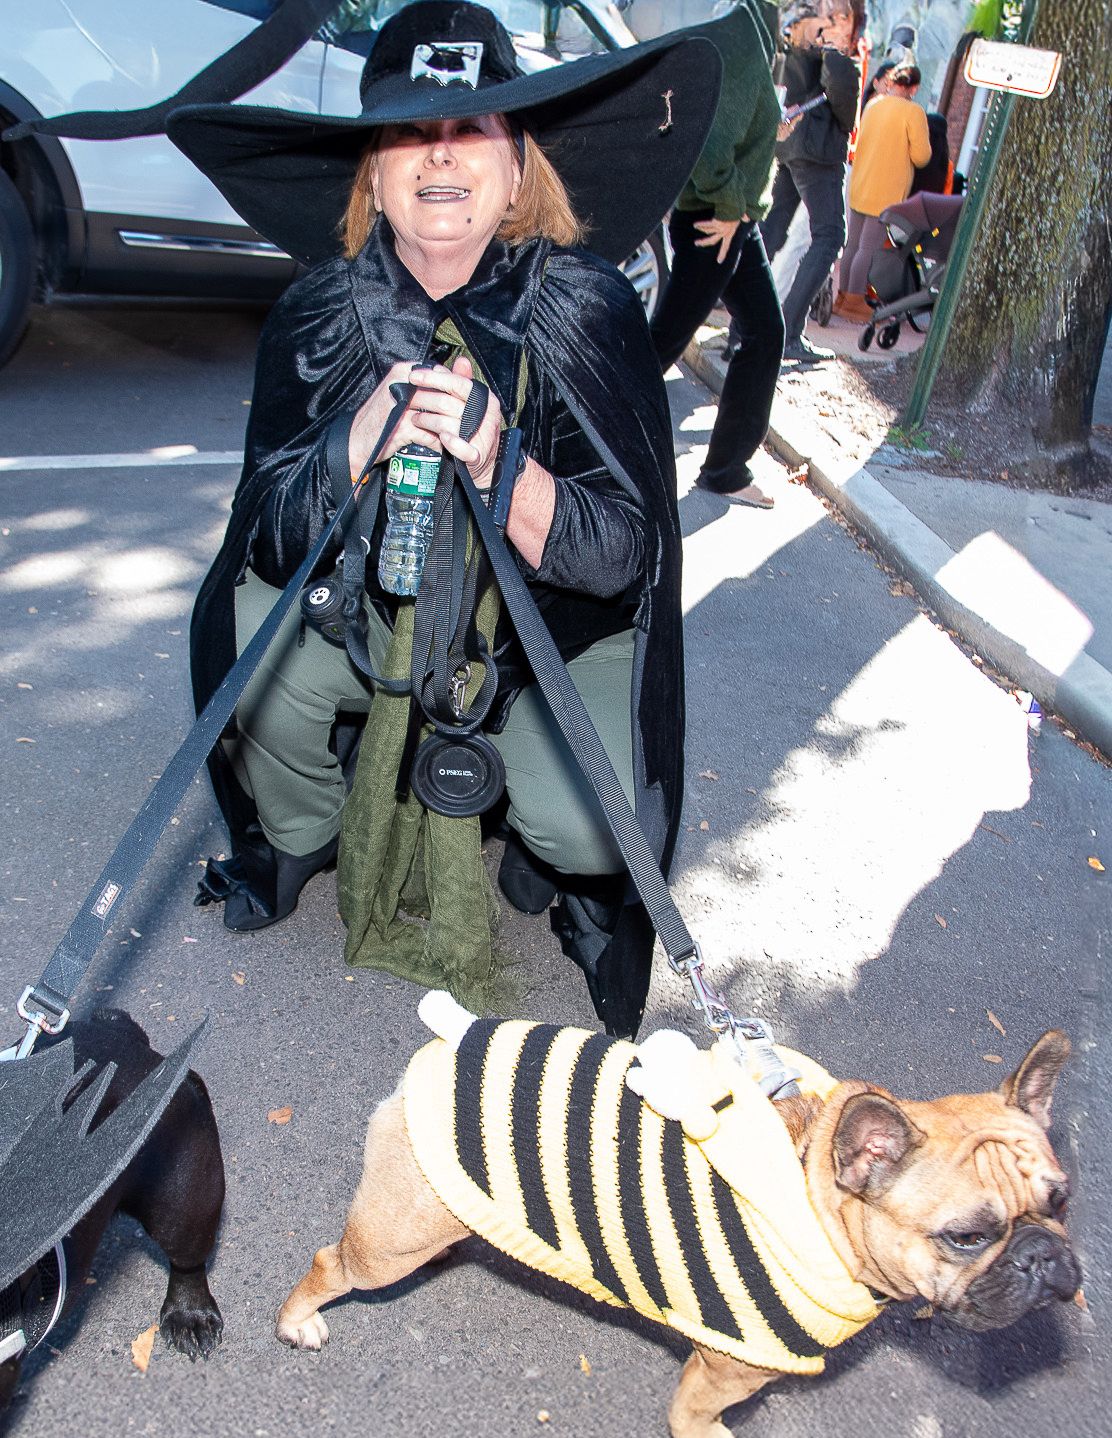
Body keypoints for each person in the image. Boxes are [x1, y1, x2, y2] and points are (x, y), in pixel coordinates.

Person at [166, 3, 722, 1035]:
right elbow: (268, 535)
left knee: (594, 823)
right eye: (411, 133)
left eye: (471, 131)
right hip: (364, 625)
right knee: (239, 646)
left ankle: (549, 855)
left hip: (540, 639)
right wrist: (359, 434)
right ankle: (301, 831)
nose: (440, 157)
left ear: (518, 169)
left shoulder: (586, 308)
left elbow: (624, 555)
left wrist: (497, 462)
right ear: (370, 172)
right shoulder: (320, 315)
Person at [648, 0, 784, 508]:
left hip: (732, 222)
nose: (817, 18)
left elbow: (734, 123)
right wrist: (729, 206)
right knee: (660, 344)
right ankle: (571, 433)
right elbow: (708, 143)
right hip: (716, 221)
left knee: (766, 333)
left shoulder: (753, 31)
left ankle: (726, 470)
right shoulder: (739, 37)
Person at [759, 0, 864, 363]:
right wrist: (848, 124)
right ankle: (788, 333)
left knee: (772, 229)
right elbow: (840, 86)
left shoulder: (792, 40)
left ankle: (745, 328)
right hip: (818, 150)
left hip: (788, 145)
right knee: (831, 235)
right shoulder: (829, 44)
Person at [833, 64, 931, 319]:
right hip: (886, 189)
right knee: (869, 248)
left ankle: (842, 297)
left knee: (852, 245)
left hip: (862, 182)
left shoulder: (873, 104)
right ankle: (854, 302)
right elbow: (922, 157)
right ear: (914, 87)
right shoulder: (914, 112)